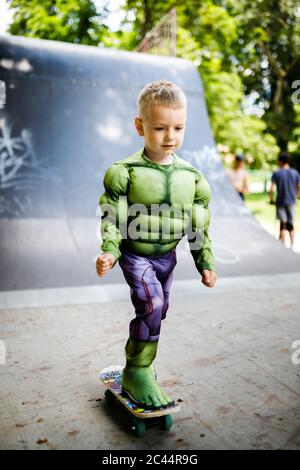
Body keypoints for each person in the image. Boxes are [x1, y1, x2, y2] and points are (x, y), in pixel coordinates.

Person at [95, 80, 217, 409]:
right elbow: (112, 217)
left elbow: (198, 225)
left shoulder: (192, 178)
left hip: (167, 258)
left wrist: (205, 262)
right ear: (140, 126)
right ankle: (137, 370)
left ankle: (140, 363)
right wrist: (109, 250)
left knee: (158, 312)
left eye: (178, 128)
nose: (170, 137)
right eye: (160, 127)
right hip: (136, 256)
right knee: (151, 305)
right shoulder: (124, 172)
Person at [269, 151, 300, 248]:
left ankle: (282, 246)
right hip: (291, 201)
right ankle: (292, 246)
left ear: (280, 161)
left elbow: (271, 189)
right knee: (290, 224)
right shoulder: (295, 172)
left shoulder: (277, 173)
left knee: (283, 224)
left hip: (280, 202)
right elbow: (299, 187)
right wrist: (296, 195)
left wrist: (271, 199)